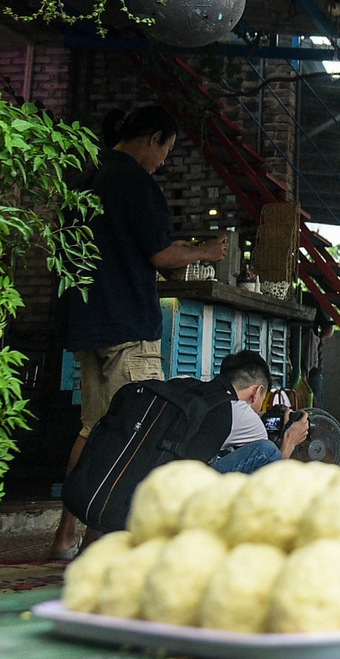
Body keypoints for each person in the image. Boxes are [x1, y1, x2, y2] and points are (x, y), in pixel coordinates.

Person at [50, 103, 230, 557]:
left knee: (94, 429)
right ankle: (98, 539)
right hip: (127, 323)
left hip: (87, 321)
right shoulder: (134, 180)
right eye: (166, 149)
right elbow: (160, 255)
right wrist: (204, 251)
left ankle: (65, 534)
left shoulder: (86, 176)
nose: (164, 160)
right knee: (134, 432)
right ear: (153, 138)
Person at [210, 349, 308, 474]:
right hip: (190, 487)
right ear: (256, 391)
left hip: (180, 468)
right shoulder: (245, 416)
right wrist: (290, 440)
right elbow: (271, 472)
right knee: (268, 450)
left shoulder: (187, 383)